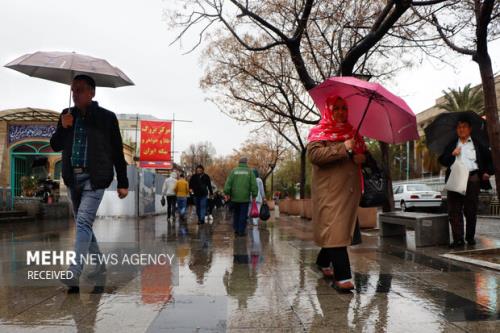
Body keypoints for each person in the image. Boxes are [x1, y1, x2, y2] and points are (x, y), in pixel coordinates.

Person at [50, 74, 129, 291]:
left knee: (83, 222)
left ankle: (74, 272)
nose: (76, 94)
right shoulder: (66, 116)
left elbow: (117, 151)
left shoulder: (106, 118)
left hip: (95, 179)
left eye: (81, 90)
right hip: (72, 178)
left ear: (92, 92)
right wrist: (63, 127)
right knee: (84, 225)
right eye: (73, 90)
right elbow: (55, 145)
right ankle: (100, 265)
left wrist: (123, 181)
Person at [307, 95, 367, 292]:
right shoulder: (319, 132)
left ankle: (322, 261)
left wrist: (360, 158)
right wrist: (343, 147)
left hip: (349, 192)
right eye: (337, 108)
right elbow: (315, 156)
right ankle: (342, 277)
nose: (341, 112)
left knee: (338, 232)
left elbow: (362, 156)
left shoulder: (353, 133)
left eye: (344, 108)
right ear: (329, 111)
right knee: (336, 231)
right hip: (329, 192)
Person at [438, 117, 494, 248]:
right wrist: (452, 154)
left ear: (470, 129)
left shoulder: (477, 144)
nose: (461, 129)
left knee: (471, 210)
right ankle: (458, 239)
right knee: (454, 210)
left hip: (472, 178)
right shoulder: (452, 144)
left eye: (464, 127)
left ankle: (470, 237)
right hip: (455, 179)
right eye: (459, 127)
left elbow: (490, 159)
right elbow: (443, 160)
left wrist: (488, 172)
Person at [224, 157, 258, 236]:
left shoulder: (234, 171)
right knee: (243, 214)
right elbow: (253, 185)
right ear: (246, 163)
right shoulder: (250, 172)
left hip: (234, 197)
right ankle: (241, 231)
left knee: (236, 214)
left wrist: (227, 192)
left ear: (239, 162)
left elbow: (228, 183)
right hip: (245, 198)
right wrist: (254, 195)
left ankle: (236, 229)